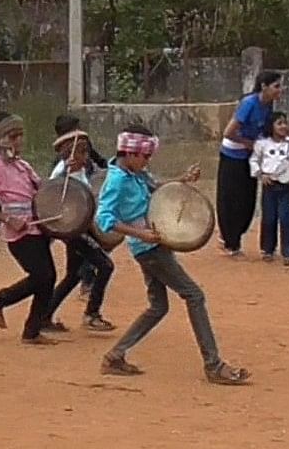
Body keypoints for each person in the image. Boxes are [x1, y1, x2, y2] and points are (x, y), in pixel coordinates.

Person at [97, 124, 250, 384]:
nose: (147, 161)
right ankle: (213, 365)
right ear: (131, 153)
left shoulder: (134, 173)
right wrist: (141, 234)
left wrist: (182, 180)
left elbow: (156, 189)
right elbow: (104, 219)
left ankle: (114, 356)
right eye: (145, 156)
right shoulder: (117, 179)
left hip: (154, 246)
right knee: (194, 295)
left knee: (158, 307)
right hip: (150, 249)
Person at [0, 114, 56, 345]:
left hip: (37, 228)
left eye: (20, 135)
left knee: (48, 278)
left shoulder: (23, 165)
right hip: (20, 234)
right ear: (0, 140)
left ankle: (32, 331)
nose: (19, 141)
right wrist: (8, 219)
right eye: (13, 136)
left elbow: (41, 188)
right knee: (43, 276)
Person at [41, 128, 116, 333]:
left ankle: (45, 316)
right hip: (73, 231)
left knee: (73, 275)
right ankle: (92, 314)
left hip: (78, 229)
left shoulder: (80, 170)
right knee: (105, 266)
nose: (86, 157)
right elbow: (53, 194)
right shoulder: (62, 172)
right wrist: (66, 169)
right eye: (82, 152)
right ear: (71, 154)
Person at [216, 71, 283, 257]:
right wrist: (248, 143)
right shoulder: (249, 103)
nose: (280, 90)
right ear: (264, 86)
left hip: (249, 156)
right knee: (231, 199)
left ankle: (235, 235)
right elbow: (228, 132)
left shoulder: (268, 105)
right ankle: (230, 240)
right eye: (276, 86)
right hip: (232, 155)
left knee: (248, 199)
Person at [251, 111, 289, 265]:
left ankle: (288, 252)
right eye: (279, 123)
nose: (283, 126)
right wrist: (261, 174)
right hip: (269, 185)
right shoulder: (262, 144)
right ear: (271, 126)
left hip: (286, 185)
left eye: (285, 123)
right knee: (269, 217)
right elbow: (254, 160)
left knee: (286, 217)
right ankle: (267, 249)